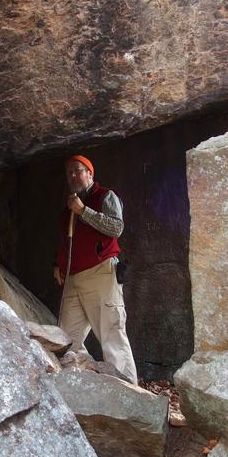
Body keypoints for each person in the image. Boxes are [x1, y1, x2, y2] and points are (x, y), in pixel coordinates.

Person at [54, 155, 138, 385]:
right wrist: (58, 265)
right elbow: (68, 242)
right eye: (69, 172)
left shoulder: (104, 196)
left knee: (111, 333)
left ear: (90, 174)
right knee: (67, 337)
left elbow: (115, 227)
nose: (73, 175)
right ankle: (83, 385)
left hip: (100, 272)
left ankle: (129, 392)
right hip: (73, 277)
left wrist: (84, 211)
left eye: (78, 170)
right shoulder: (68, 208)